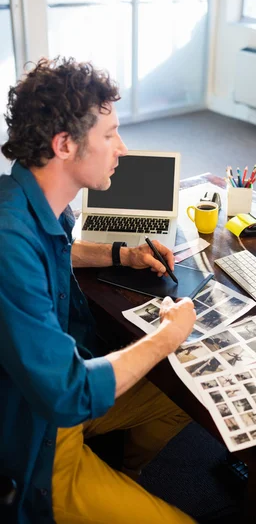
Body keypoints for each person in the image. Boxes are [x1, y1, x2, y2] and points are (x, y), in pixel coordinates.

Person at [0, 58, 197, 524]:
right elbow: (66, 394)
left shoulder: (27, 203)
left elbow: (56, 249)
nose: (122, 149)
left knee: (186, 394)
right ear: (65, 144)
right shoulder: (7, 242)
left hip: (54, 396)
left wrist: (120, 255)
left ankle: (124, 476)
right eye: (109, 134)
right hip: (35, 439)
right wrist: (168, 335)